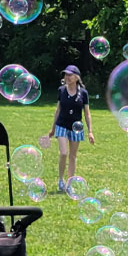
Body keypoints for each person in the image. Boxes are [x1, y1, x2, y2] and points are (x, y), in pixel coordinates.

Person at [46, 64, 94, 193]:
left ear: (77, 77)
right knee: (63, 153)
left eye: (70, 75)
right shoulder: (61, 90)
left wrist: (90, 132)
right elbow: (58, 110)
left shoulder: (83, 93)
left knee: (72, 156)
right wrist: (52, 129)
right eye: (66, 74)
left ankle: (69, 183)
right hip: (62, 125)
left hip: (76, 127)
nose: (67, 77)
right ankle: (61, 180)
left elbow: (87, 113)